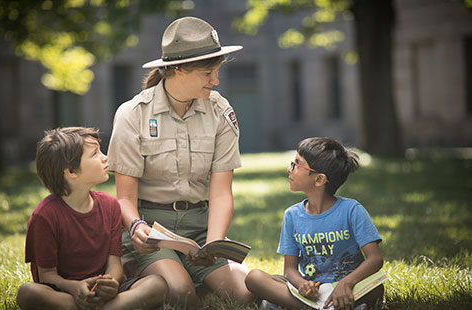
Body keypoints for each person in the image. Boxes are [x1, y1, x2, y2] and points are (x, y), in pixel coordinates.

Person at [106, 16, 254, 308]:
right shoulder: (133, 114)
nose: (216, 80)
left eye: (217, 71)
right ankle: (151, 274)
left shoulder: (220, 110)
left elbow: (222, 191)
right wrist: (136, 226)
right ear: (177, 70)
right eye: (208, 73)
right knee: (181, 293)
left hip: (200, 229)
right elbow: (124, 197)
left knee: (245, 295)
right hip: (152, 229)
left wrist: (213, 244)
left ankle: (186, 274)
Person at [16, 127, 168, 310]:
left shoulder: (110, 205)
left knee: (156, 284)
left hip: (107, 291)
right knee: (27, 292)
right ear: (71, 171)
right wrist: (76, 288)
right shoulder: (44, 217)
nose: (105, 157)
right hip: (65, 293)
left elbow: (115, 265)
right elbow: (47, 275)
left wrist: (111, 283)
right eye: (95, 154)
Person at [245, 137, 384, 310]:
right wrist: (302, 284)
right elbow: (289, 270)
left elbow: (375, 259)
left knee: (377, 288)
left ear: (319, 180)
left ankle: (292, 306)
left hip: (348, 287)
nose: (290, 169)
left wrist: (346, 284)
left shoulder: (352, 210)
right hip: (311, 293)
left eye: (296, 164)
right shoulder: (292, 215)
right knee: (254, 278)